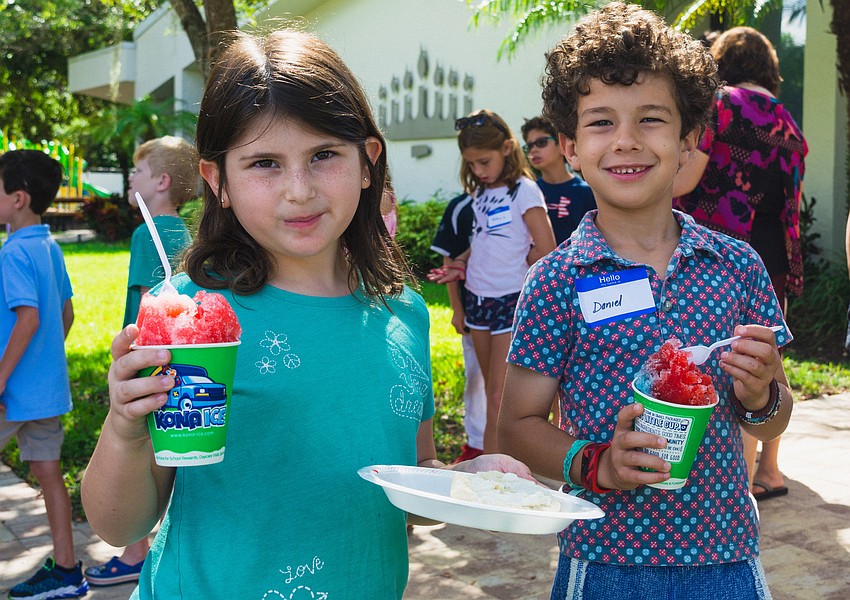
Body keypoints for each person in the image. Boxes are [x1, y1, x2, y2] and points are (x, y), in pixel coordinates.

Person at [80, 29, 530, 599]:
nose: (300, 190)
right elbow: (120, 525)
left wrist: (464, 482)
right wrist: (124, 427)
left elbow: (407, 479)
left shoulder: (406, 316)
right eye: (265, 163)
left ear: (368, 163)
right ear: (218, 181)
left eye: (323, 156)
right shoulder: (191, 318)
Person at [499, 4, 793, 598]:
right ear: (571, 147)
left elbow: (776, 415)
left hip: (726, 558)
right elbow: (519, 426)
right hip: (604, 561)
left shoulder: (736, 266)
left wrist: (761, 394)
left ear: (688, 141)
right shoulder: (556, 280)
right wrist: (597, 465)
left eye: (651, 120)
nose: (626, 141)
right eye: (601, 122)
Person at [673, 26, 807, 503]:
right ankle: (768, 469)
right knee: (764, 362)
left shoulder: (721, 104)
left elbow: (687, 175)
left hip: (719, 250)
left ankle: (733, 480)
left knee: (722, 359)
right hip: (772, 250)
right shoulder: (789, 121)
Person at [84, 136, 197, 586]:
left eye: (139, 172)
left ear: (162, 181)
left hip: (146, 359)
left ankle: (134, 554)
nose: (132, 179)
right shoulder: (184, 232)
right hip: (181, 354)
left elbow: (143, 305)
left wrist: (128, 357)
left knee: (137, 450)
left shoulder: (145, 231)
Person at [432, 109, 556, 454]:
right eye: (471, 164)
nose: (478, 171)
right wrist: (460, 266)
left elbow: (546, 249)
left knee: (502, 395)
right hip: (478, 300)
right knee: (491, 393)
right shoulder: (482, 195)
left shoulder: (525, 191)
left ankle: (500, 466)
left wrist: (519, 263)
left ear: (506, 148)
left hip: (510, 301)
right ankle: (490, 467)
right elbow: (485, 241)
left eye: (483, 162)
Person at [0, 150, 88, 599]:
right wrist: (44, 366)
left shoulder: (13, 252)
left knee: (47, 472)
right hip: (47, 393)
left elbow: (29, 319)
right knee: (49, 474)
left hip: (10, 392)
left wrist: (1, 379)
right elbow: (66, 314)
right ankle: (69, 571)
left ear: (17, 198)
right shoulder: (49, 246)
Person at [429, 192, 487, 462]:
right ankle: (476, 445)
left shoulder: (523, 196)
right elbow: (450, 261)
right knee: (477, 380)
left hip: (517, 312)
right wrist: (457, 309)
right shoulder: (460, 206)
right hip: (476, 313)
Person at [521, 115, 596, 245]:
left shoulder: (586, 192)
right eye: (529, 146)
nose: (534, 150)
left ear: (561, 145)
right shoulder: (528, 192)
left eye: (541, 142)